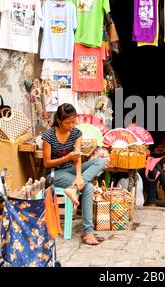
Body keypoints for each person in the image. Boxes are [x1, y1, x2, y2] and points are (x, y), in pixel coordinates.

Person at [42, 103, 106, 245]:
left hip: (71, 170)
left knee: (101, 161)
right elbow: (46, 163)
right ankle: (88, 232)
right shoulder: (48, 135)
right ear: (59, 120)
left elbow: (77, 158)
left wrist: (78, 177)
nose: (71, 125)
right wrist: (66, 158)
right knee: (88, 187)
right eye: (67, 122)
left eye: (73, 121)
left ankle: (74, 188)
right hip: (55, 173)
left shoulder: (76, 133)